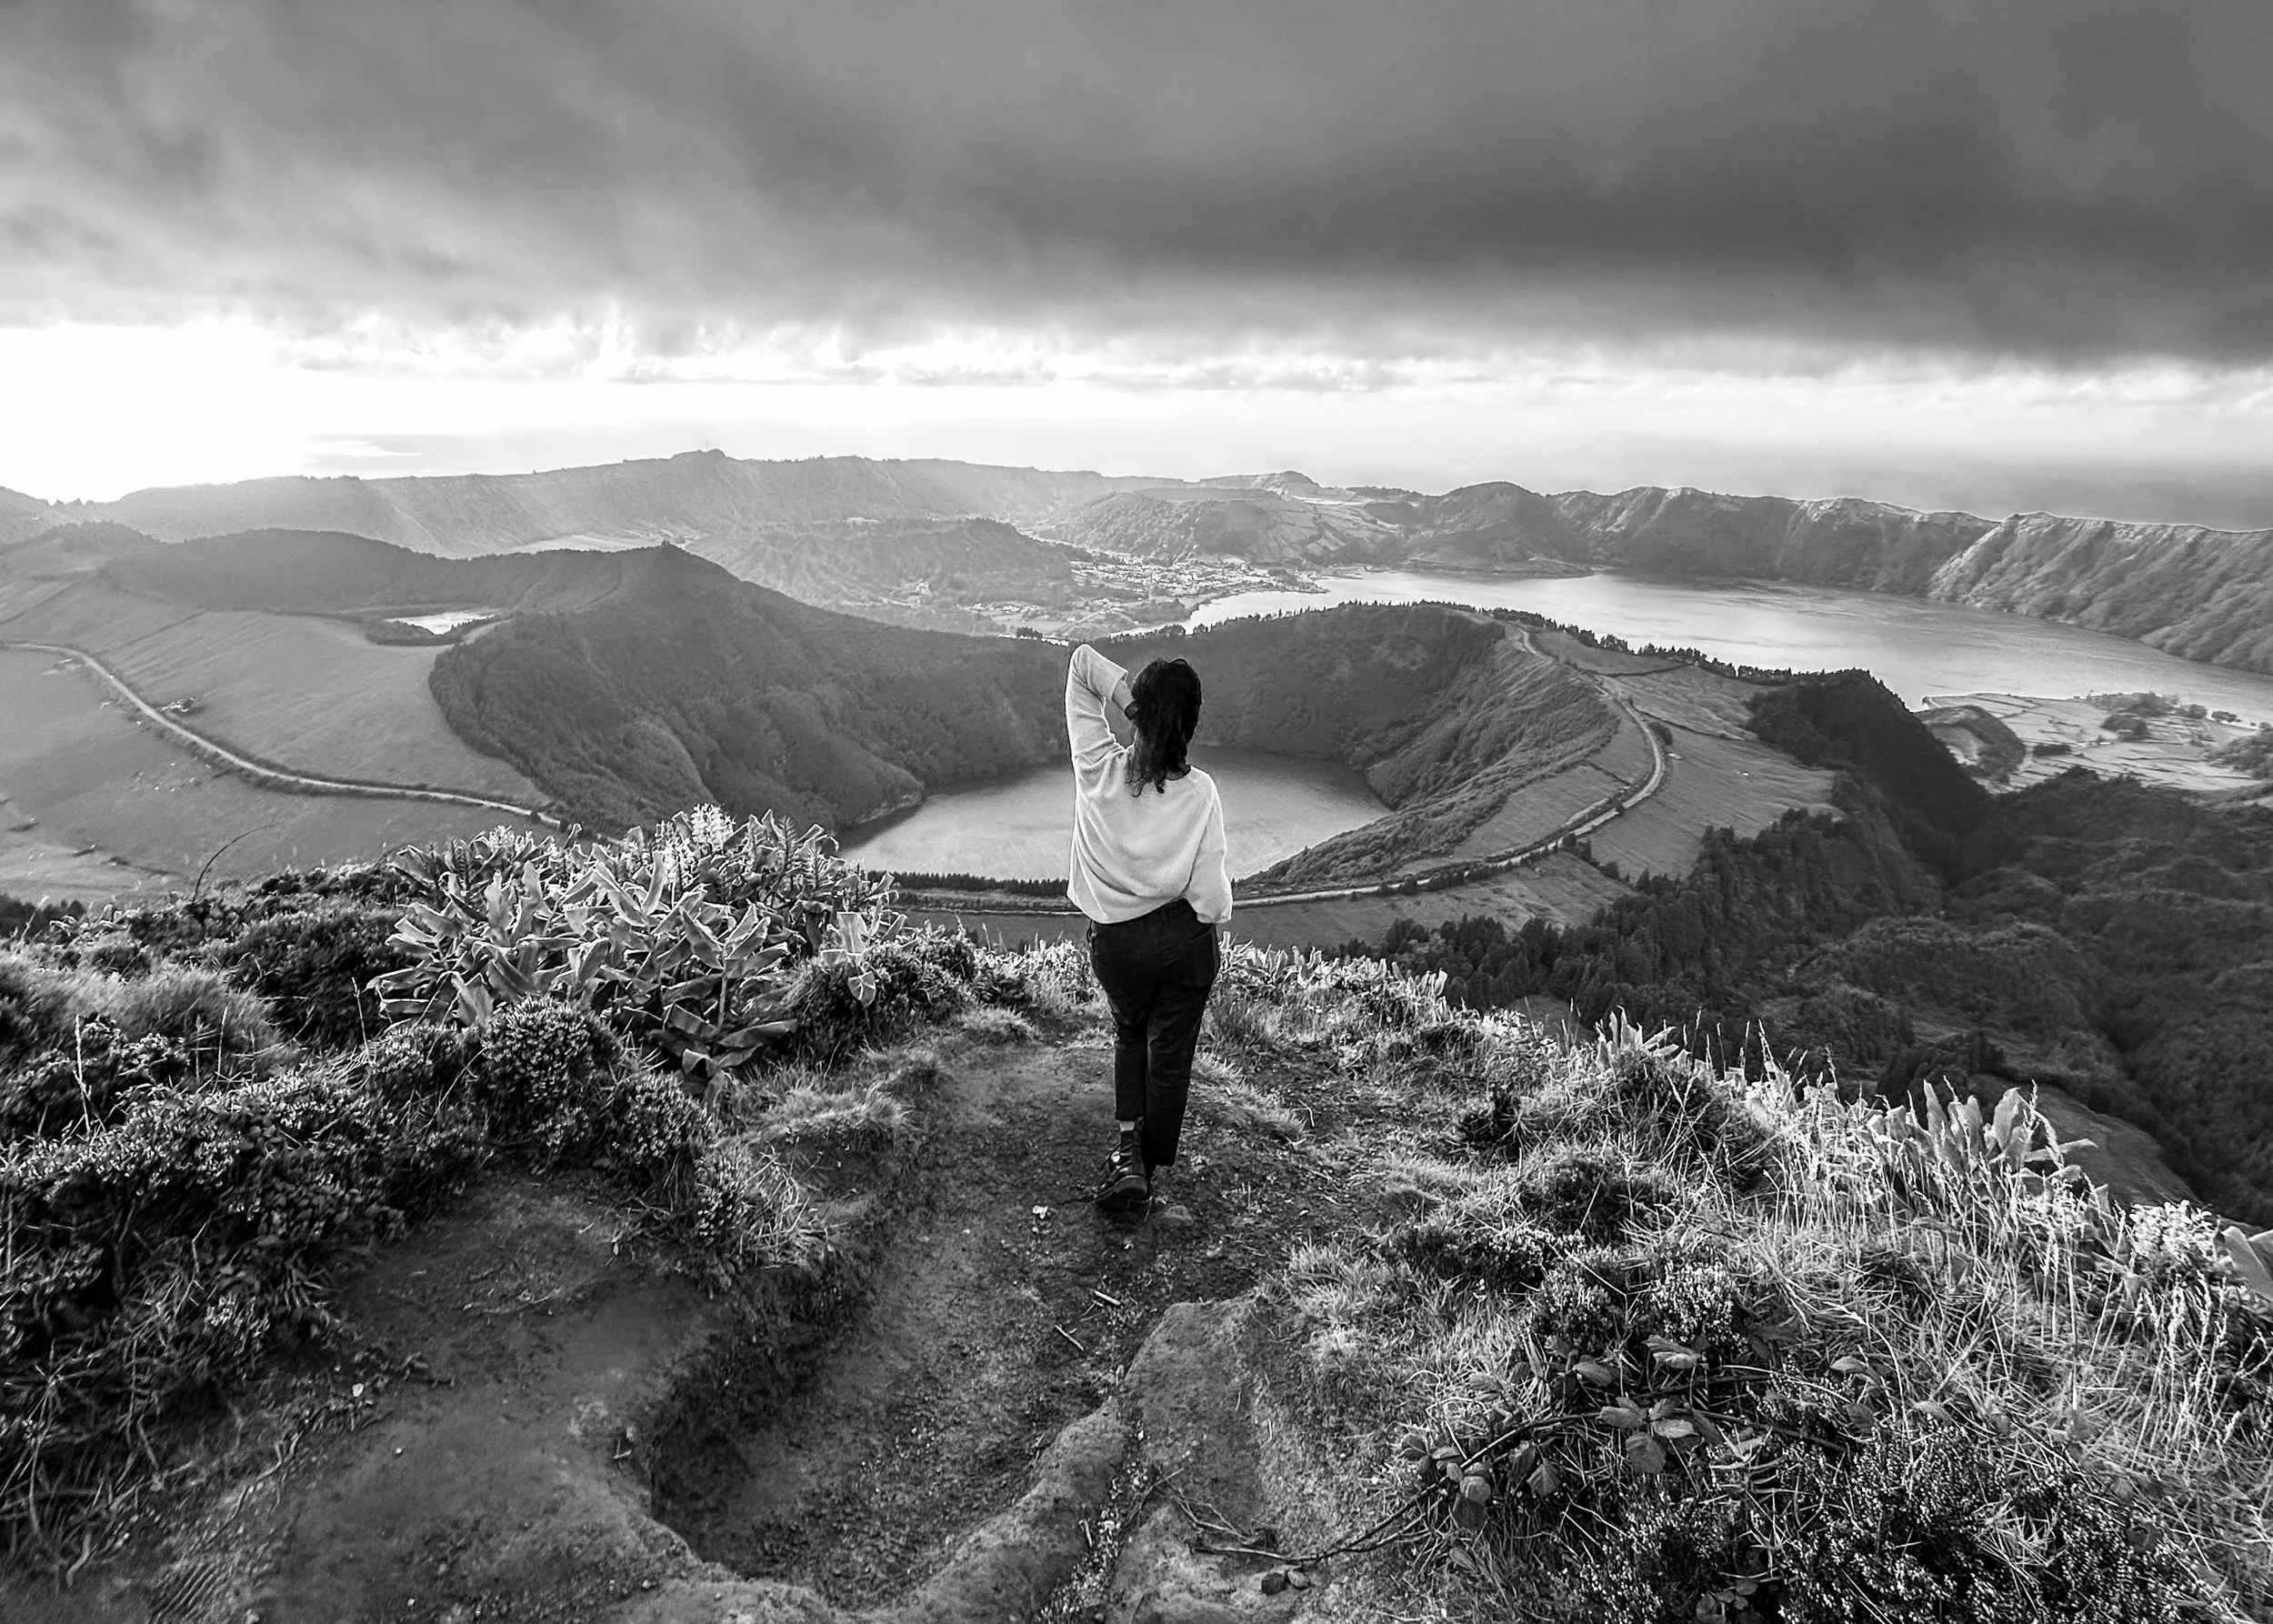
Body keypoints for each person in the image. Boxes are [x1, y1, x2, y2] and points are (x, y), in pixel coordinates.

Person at [1064, 641, 1232, 1216]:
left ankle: (1129, 1152)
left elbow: (1081, 663)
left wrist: (1127, 698)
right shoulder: (1201, 792)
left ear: (1138, 713)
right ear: (1192, 724)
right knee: (1172, 1053)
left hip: (1116, 945)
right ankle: (1154, 1160)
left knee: (1131, 1034)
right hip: (1183, 946)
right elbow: (1211, 901)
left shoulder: (1096, 770)